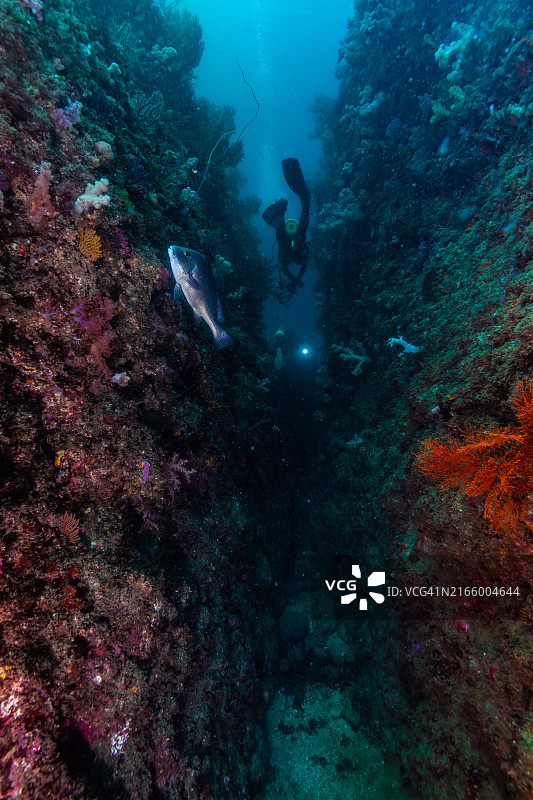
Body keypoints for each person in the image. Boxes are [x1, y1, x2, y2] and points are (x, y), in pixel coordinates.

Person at [262, 158, 311, 294]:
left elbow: (285, 268)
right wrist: (295, 279)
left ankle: (282, 207)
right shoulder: (299, 254)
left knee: (306, 204)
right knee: (305, 205)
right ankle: (282, 208)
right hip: (296, 237)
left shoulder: (287, 254)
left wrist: (295, 279)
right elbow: (291, 267)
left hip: (291, 238)